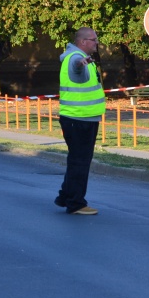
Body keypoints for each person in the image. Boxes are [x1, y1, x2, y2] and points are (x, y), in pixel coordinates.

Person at [55, 27, 106, 215]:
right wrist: (80, 64)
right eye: (94, 39)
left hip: (80, 118)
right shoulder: (75, 58)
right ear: (83, 41)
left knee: (76, 159)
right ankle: (76, 203)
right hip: (79, 119)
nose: (97, 42)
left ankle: (65, 196)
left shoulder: (82, 58)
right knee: (80, 162)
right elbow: (76, 67)